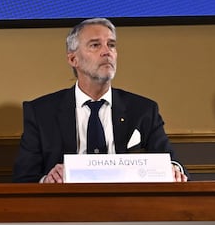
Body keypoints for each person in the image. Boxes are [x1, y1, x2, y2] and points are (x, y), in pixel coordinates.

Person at [13, 18, 185, 183]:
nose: (107, 51)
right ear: (73, 59)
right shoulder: (41, 112)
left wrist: (173, 170)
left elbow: (171, 162)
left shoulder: (143, 110)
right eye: (95, 45)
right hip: (65, 207)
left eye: (111, 45)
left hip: (127, 206)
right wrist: (48, 180)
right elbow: (23, 179)